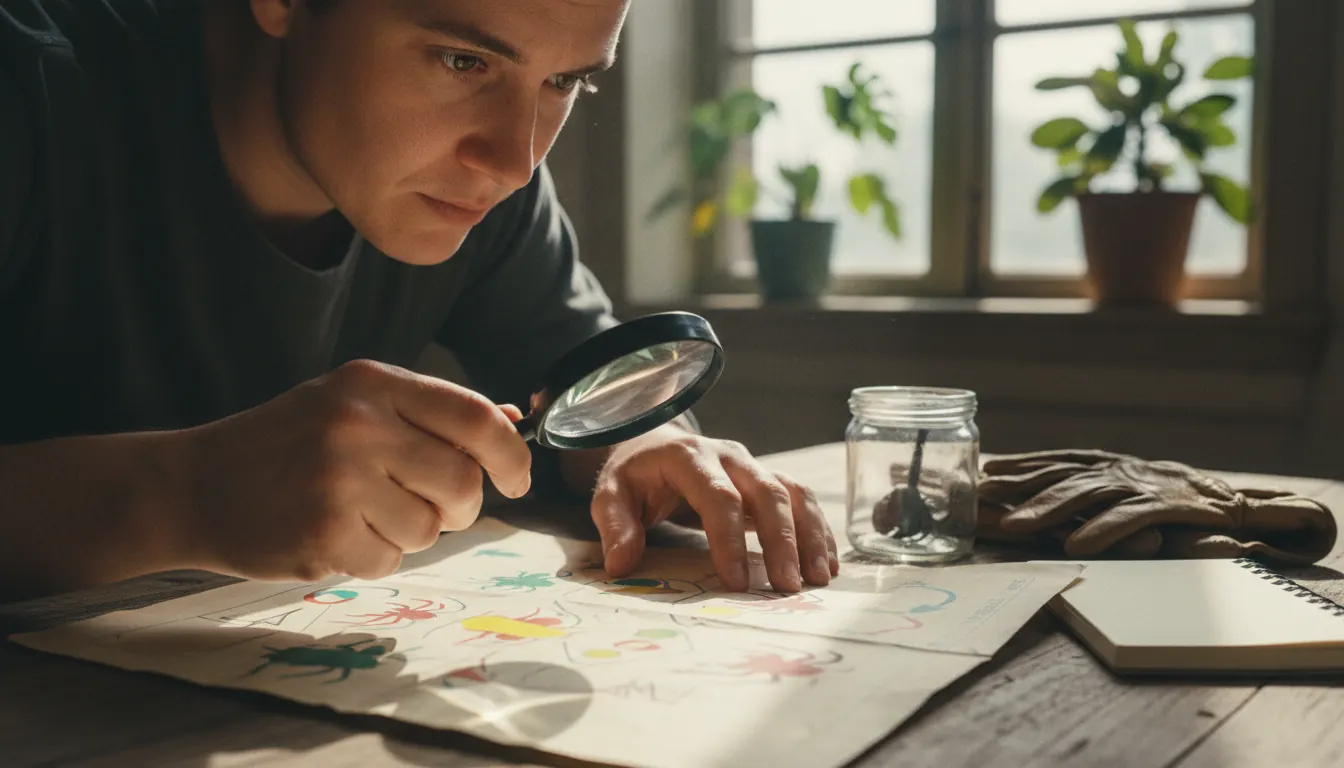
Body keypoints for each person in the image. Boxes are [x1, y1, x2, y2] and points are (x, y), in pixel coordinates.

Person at [0, 0, 839, 602]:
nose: (514, 161)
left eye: (566, 83)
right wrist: (177, 493)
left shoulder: (491, 194)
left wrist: (642, 445)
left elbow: (585, 374)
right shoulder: (29, 89)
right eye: (464, 61)